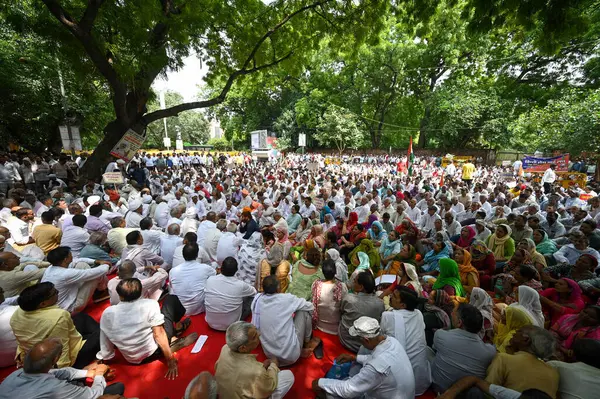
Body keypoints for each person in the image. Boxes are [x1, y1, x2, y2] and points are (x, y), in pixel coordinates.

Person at [97, 278, 197, 379]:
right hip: (153, 351)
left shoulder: (107, 313)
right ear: (140, 292)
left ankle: (168, 344)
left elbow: (105, 340)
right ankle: (173, 337)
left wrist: (106, 357)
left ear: (120, 295)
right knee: (171, 300)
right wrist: (170, 359)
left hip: (131, 358)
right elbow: (159, 334)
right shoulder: (150, 304)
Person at [312, 316, 415, 399]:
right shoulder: (392, 341)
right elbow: (376, 358)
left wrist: (321, 382)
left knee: (331, 394)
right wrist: (354, 358)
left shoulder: (375, 368)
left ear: (366, 340)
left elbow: (349, 390)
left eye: (360, 340)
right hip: (401, 393)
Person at [10, 282, 100, 369]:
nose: (58, 292)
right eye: (55, 293)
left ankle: (94, 338)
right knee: (102, 332)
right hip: (61, 361)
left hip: (33, 357)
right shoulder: (58, 316)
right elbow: (62, 349)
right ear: (43, 304)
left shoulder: (17, 313)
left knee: (81, 317)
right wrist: (66, 371)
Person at [0, 338, 125, 399]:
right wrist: (99, 374)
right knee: (117, 388)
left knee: (75, 380)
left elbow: (61, 372)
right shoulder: (54, 388)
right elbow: (93, 395)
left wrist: (88, 373)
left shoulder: (15, 374)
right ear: (55, 360)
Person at [251, 275, 320, 366]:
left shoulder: (257, 300)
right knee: (304, 311)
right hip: (291, 355)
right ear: (278, 288)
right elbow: (310, 306)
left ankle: (299, 346)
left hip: (270, 355)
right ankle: (306, 343)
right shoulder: (287, 299)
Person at [214, 321, 295, 399]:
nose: (259, 334)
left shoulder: (225, 348)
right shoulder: (257, 371)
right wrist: (273, 366)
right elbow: (269, 387)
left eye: (256, 331)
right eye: (254, 336)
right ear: (243, 348)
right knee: (288, 376)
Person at [431, 304, 496, 393]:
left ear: (459, 322)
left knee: (427, 351)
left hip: (439, 389)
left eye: (453, 313)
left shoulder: (441, 335)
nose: (451, 314)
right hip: (467, 393)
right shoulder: (489, 352)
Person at [380, 286, 431, 395]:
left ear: (402, 305)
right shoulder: (418, 313)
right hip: (420, 380)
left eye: (394, 296)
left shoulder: (387, 316)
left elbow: (380, 340)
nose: (390, 297)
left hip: (400, 383)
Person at [486, 326, 559, 398]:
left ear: (526, 339)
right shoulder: (553, 374)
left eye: (519, 331)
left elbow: (487, 391)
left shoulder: (503, 359)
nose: (514, 333)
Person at [42, 246, 109, 313]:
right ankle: (101, 292)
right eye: (70, 254)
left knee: (81, 264)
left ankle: (101, 289)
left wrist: (96, 261)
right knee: (95, 276)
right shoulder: (64, 274)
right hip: (69, 308)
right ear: (65, 259)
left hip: (65, 298)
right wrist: (106, 265)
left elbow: (78, 260)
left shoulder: (50, 268)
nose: (72, 256)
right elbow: (94, 273)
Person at [205, 257, 257, 331]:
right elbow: (254, 292)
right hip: (232, 325)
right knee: (251, 297)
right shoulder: (240, 285)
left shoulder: (210, 280)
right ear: (236, 270)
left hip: (211, 323)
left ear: (221, 268)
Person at [339, 271, 385, 352]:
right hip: (367, 344)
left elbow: (341, 312)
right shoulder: (380, 303)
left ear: (361, 287)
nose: (353, 282)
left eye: (355, 281)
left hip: (347, 341)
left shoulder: (349, 298)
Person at [169, 243, 216, 315]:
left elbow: (172, 287)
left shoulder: (173, 271)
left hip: (179, 308)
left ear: (183, 255)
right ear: (197, 255)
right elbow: (214, 275)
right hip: (199, 308)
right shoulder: (205, 268)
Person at [311, 259, 348, 335]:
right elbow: (345, 307)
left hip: (319, 325)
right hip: (336, 329)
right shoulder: (342, 286)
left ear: (323, 272)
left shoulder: (316, 284)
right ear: (335, 271)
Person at [0, 286, 17, 367]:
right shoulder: (13, 312)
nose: (3, 291)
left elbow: (8, 301)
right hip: (14, 361)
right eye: (1, 291)